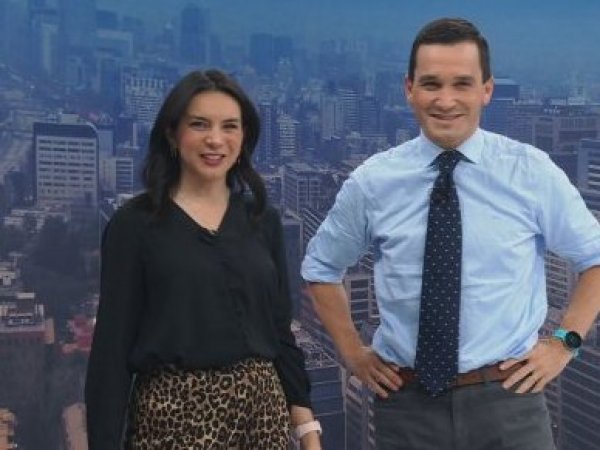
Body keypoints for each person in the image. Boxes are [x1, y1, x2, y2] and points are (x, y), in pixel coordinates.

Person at [301, 17, 600, 450]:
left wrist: (564, 343)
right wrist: (351, 353)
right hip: (406, 406)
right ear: (409, 90)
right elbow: (320, 269)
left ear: (486, 90)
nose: (445, 100)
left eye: (462, 84)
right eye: (431, 84)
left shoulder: (529, 171)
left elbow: (595, 258)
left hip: (510, 401)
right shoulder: (373, 182)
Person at [85, 69, 321, 450]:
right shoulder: (135, 225)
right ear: (172, 134)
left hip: (263, 420)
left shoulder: (262, 219)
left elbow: (280, 332)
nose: (215, 139)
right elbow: (111, 354)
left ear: (244, 137)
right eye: (199, 124)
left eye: (230, 126)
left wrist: (307, 429)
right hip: (172, 423)